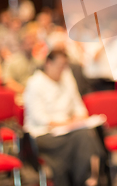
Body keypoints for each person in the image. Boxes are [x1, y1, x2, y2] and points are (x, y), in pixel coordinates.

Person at [23, 49, 103, 186]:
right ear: (48, 63)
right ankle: (88, 178)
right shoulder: (35, 83)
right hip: (44, 134)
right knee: (83, 137)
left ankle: (88, 178)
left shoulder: (67, 77)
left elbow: (78, 105)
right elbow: (40, 118)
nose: (62, 69)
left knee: (89, 132)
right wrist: (68, 123)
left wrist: (80, 117)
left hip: (69, 130)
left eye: (65, 65)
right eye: (59, 66)